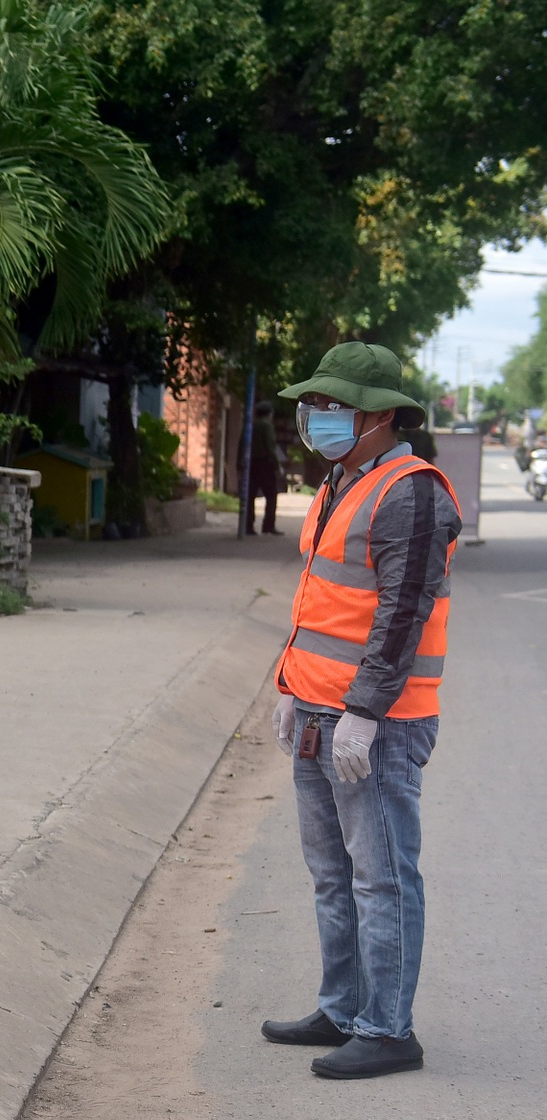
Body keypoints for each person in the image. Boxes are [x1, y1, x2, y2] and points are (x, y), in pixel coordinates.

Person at [263, 342, 460, 1080]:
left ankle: (389, 1030)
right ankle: (343, 1008)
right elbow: (326, 604)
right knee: (332, 873)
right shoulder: (342, 480)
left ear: (380, 415)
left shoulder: (411, 492)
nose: (315, 416)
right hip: (317, 710)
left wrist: (365, 713)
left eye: (332, 405)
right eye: (312, 403)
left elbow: (401, 616)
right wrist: (290, 685)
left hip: (376, 722)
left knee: (381, 876)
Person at [244, 400, 282, 535]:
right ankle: (268, 525)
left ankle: (248, 525)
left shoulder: (251, 424)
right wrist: (277, 465)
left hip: (251, 463)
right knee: (271, 495)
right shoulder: (267, 426)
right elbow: (270, 447)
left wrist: (239, 464)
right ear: (269, 413)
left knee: (250, 495)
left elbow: (241, 444)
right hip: (265, 463)